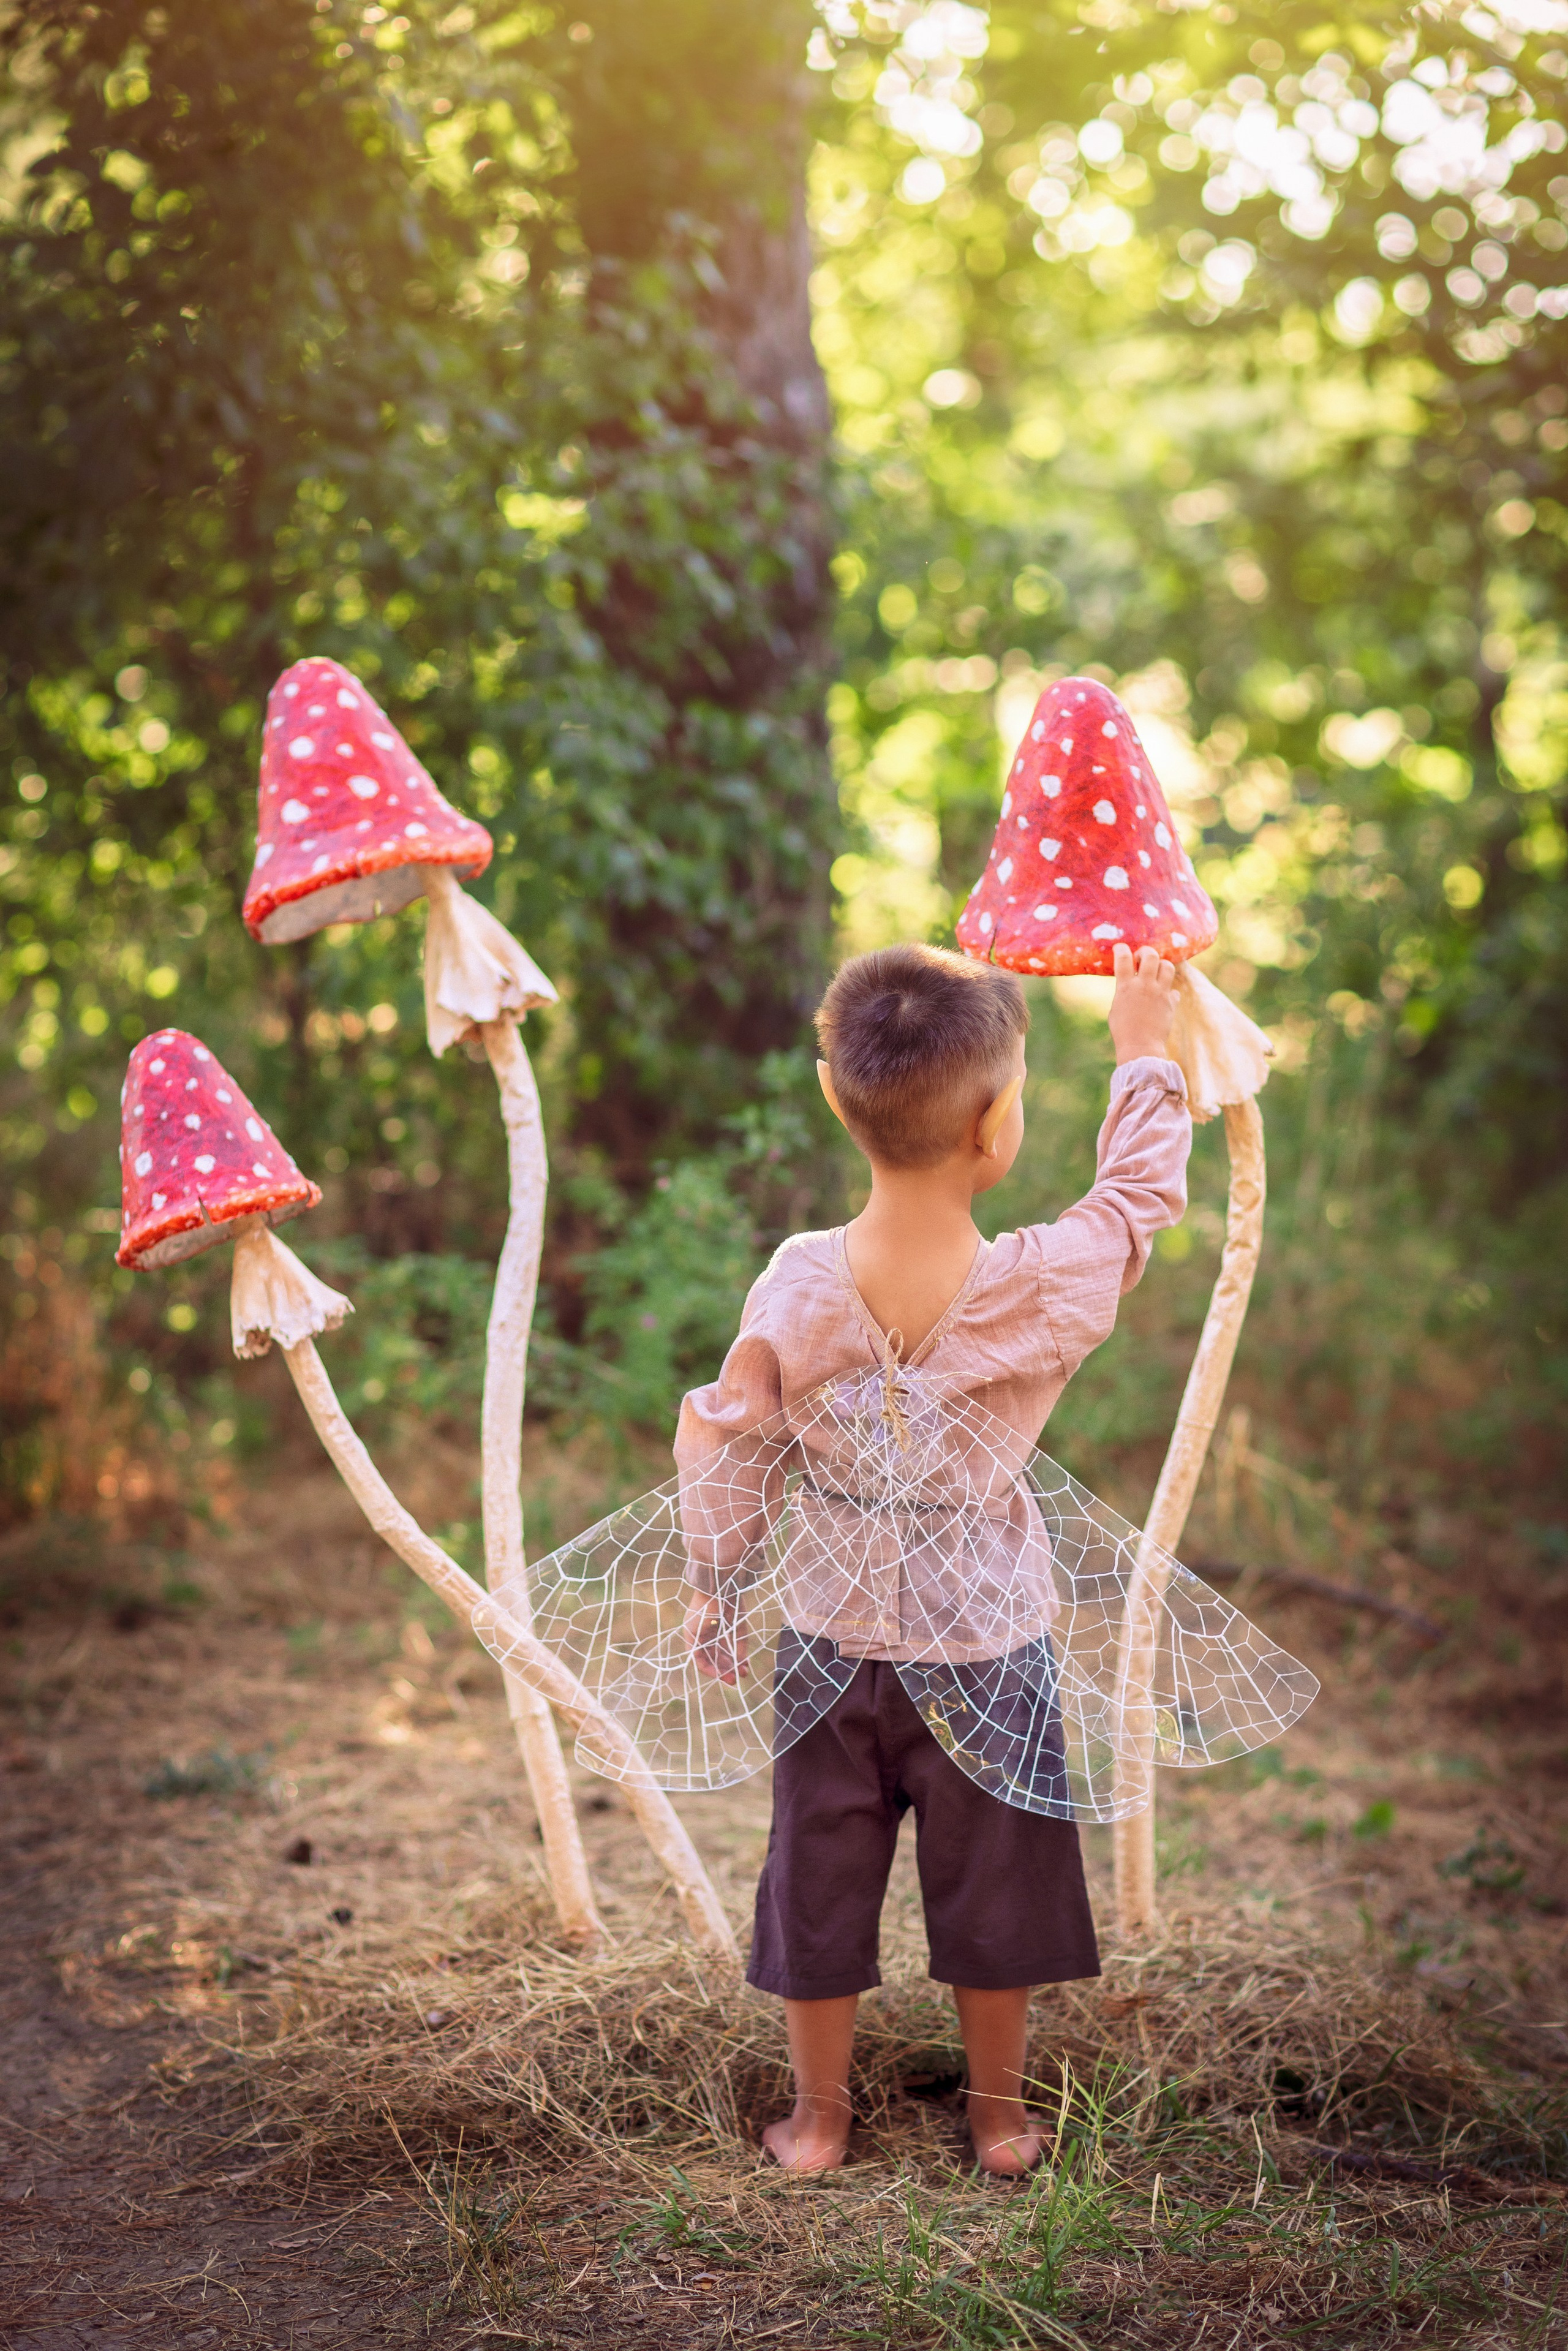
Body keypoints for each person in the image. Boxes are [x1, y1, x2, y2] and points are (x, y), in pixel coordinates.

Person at [677, 938, 1191, 2176]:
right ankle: (998, 2118)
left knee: (816, 1866)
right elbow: (1133, 1204)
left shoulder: (796, 1280)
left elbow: (737, 1439)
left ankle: (818, 2120)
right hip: (989, 1643)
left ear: (830, 1092)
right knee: (998, 1871)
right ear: (995, 1126)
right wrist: (1144, 1054)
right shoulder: (1040, 1284)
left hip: (825, 1639)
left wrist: (716, 1579)